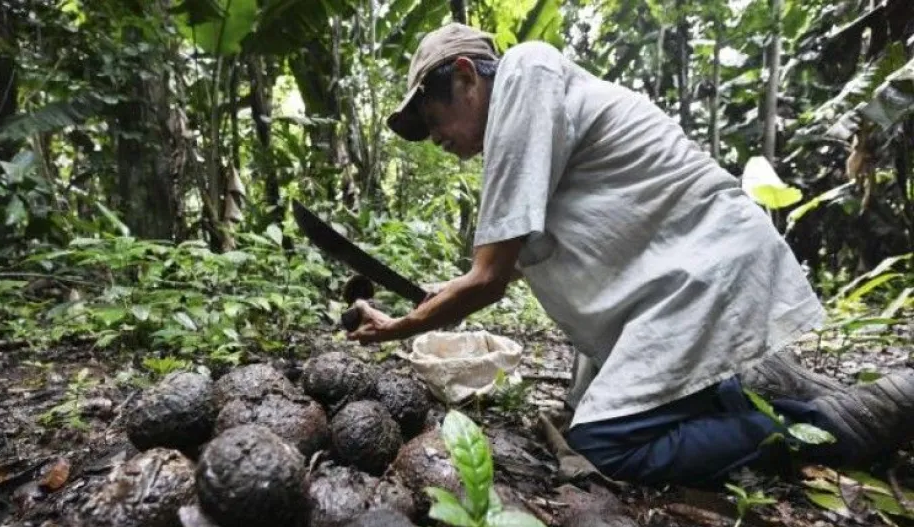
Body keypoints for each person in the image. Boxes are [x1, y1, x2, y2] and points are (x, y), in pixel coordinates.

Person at [346, 22, 914, 487]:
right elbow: (500, 269)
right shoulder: (529, 129)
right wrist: (429, 303)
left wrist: (401, 328)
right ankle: (785, 402)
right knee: (606, 412)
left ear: (466, 76)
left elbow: (487, 279)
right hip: (684, 282)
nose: (436, 139)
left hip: (702, 270)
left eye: (432, 119)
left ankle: (826, 426)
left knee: (605, 443)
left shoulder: (525, 73)